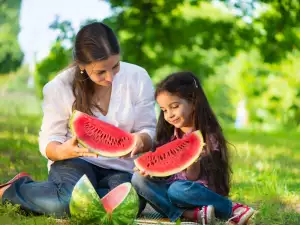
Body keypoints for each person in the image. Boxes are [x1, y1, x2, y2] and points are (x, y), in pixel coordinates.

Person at [0, 22, 156, 217]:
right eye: (100, 72)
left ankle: (62, 193)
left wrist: (141, 140)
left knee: (126, 206)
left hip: (121, 168)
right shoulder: (58, 87)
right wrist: (60, 150)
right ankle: (15, 189)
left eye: (115, 66)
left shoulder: (138, 77)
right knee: (68, 204)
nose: (111, 77)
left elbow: (148, 129)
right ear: (82, 66)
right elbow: (49, 140)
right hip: (75, 162)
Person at [132, 72, 255, 225]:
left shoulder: (208, 137)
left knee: (177, 190)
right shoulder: (168, 137)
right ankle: (190, 215)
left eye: (174, 107)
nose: (169, 114)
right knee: (138, 179)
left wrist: (193, 161)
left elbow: (192, 178)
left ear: (193, 102)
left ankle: (233, 209)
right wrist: (149, 171)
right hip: (171, 196)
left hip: (195, 193)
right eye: (164, 110)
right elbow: (163, 174)